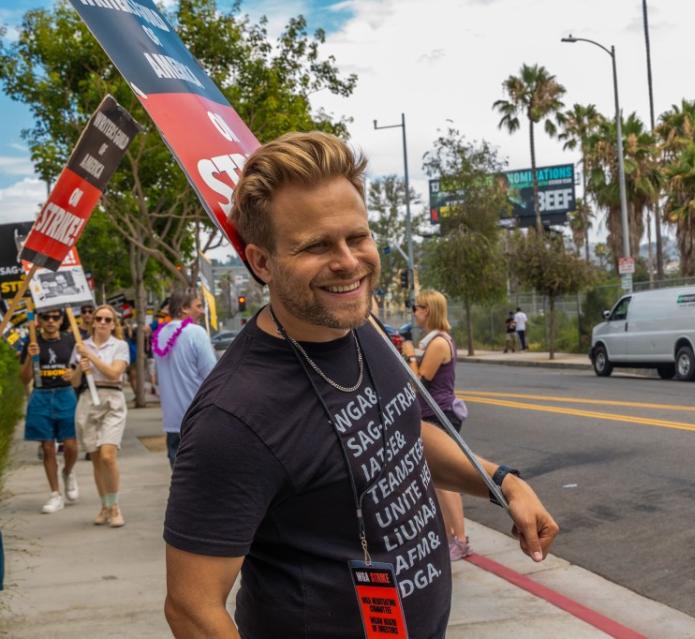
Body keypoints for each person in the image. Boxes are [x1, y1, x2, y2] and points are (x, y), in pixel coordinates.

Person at [163, 131, 558, 638]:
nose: (349, 262)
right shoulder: (234, 416)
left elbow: (403, 434)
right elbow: (192, 608)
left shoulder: (362, 328)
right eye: (316, 246)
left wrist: (504, 483)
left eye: (357, 237)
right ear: (261, 262)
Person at [401, 289, 471, 561]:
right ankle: (446, 536)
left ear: (427, 310)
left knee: (445, 481)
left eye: (416, 308)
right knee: (435, 479)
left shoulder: (439, 343)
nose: (414, 313)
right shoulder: (432, 341)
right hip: (430, 413)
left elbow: (421, 378)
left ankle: (461, 540)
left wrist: (408, 355)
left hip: (439, 415)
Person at [71, 304, 130, 528]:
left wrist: (91, 357)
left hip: (112, 400)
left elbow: (115, 373)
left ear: (113, 324)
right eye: (99, 318)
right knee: (95, 457)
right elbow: (75, 382)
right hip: (88, 399)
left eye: (108, 319)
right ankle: (104, 505)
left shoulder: (120, 346)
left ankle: (115, 506)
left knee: (108, 455)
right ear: (92, 322)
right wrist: (79, 367)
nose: (103, 323)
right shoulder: (80, 345)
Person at [19, 309, 79, 513]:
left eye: (55, 317)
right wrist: (29, 357)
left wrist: (74, 372)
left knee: (71, 444)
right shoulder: (32, 341)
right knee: (47, 447)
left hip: (65, 394)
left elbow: (79, 370)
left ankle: (68, 472)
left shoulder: (69, 340)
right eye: (46, 317)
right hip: (41, 394)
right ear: (39, 321)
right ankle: (55, 494)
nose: (51, 321)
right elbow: (24, 378)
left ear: (61, 320)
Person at [153, 288, 216, 467]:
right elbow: (212, 376)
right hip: (197, 418)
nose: (202, 310)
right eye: (198, 305)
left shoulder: (159, 335)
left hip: (172, 420)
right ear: (184, 309)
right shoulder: (195, 332)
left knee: (179, 477)